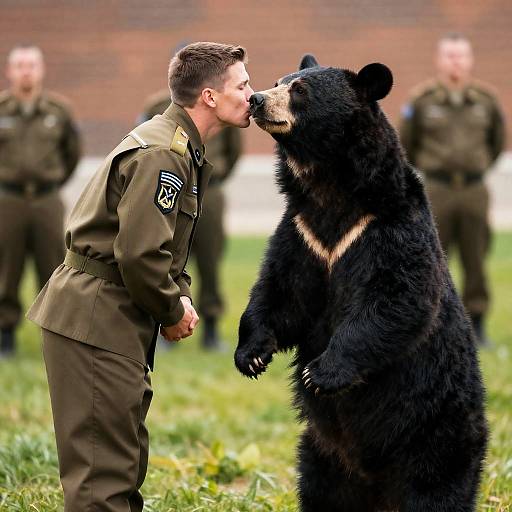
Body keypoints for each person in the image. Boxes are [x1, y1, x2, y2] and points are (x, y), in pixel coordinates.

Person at [27, 42, 253, 511]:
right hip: (95, 317)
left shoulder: (179, 146)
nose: (252, 94)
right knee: (101, 481)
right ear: (210, 97)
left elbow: (160, 249)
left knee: (122, 464)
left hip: (113, 313)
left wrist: (180, 296)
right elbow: (140, 256)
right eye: (243, 85)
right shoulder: (162, 156)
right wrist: (172, 311)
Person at [399, 33, 506, 346]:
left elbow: (497, 143)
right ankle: (431, 327)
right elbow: (407, 144)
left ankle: (478, 324)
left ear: (470, 60)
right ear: (439, 59)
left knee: (476, 260)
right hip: (436, 191)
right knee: (431, 259)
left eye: (461, 55)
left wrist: (477, 167)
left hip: (474, 191)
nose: (455, 61)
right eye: (450, 55)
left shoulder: (486, 100)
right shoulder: (422, 100)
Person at [140, 90, 242, 350]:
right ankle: (167, 322)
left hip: (209, 191)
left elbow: (234, 151)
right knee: (168, 257)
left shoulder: (222, 107)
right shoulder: (158, 106)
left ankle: (210, 329)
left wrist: (214, 177)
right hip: (172, 187)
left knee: (210, 260)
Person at [0, 44, 81, 357]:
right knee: (7, 268)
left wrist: (53, 181)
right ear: (10, 71)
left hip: (47, 200)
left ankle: (56, 334)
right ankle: (5, 332)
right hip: (8, 200)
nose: (26, 71)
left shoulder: (58, 112)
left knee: (54, 269)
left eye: (31, 65)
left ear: (41, 69)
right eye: (19, 65)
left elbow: (71, 153)